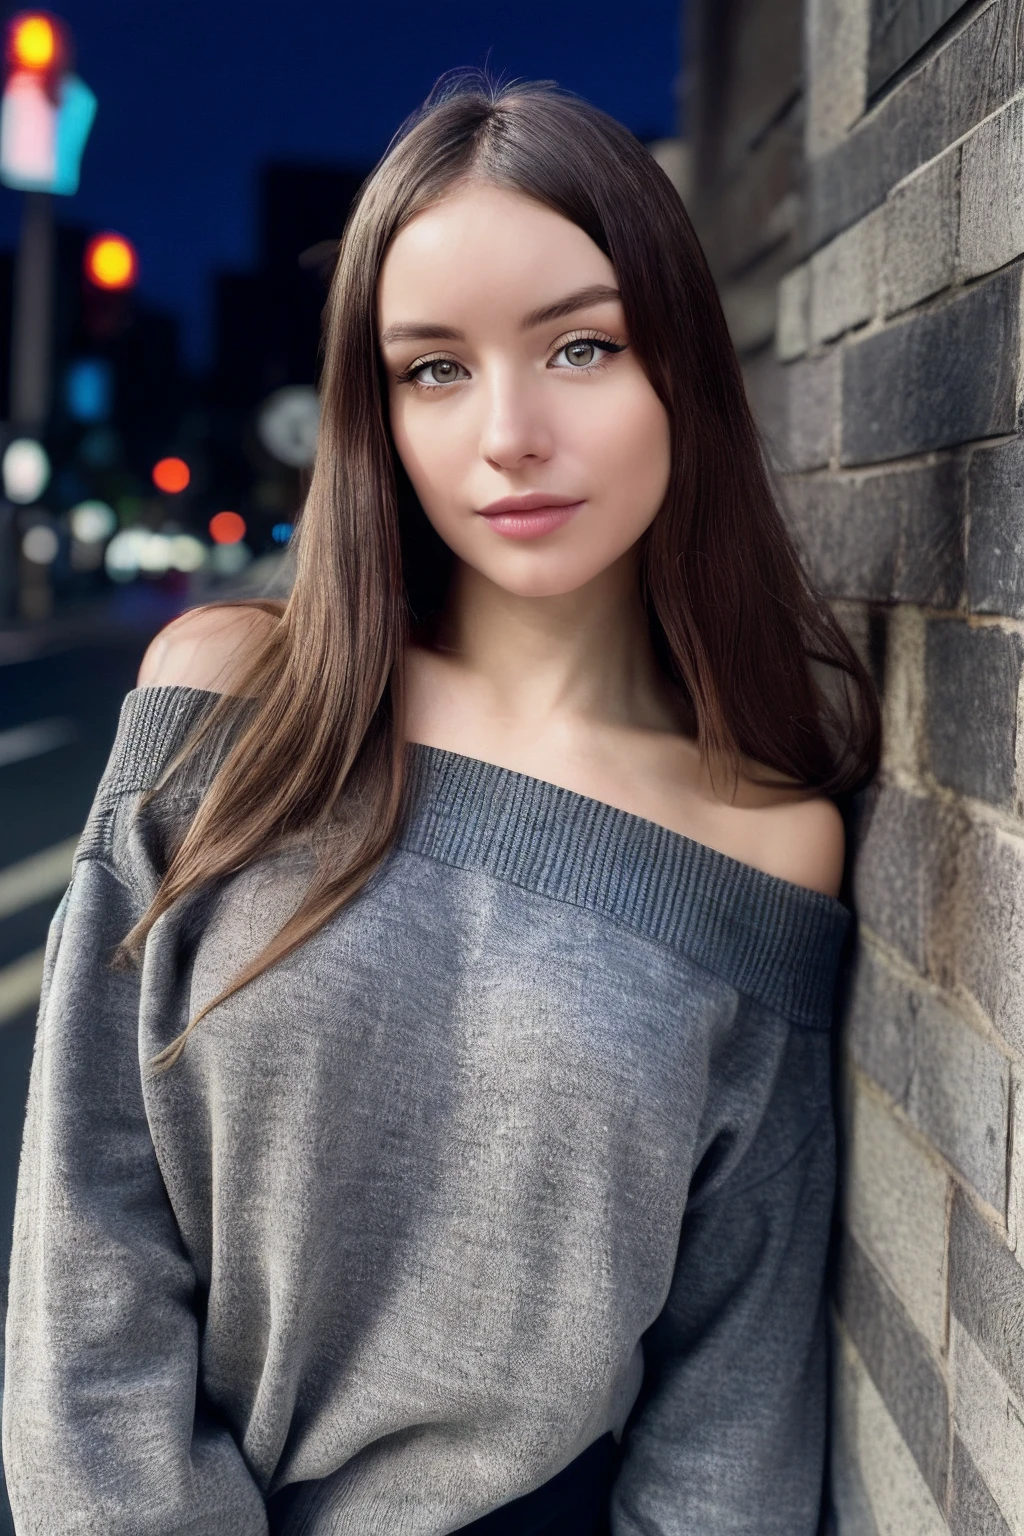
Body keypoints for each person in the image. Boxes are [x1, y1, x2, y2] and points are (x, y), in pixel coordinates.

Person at [2, 74, 880, 1535]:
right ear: (377, 412)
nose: (508, 434)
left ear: (685, 372)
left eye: (582, 346)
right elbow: (88, 1248)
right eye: (434, 369)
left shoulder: (767, 839)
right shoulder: (235, 699)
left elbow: (733, 1413)